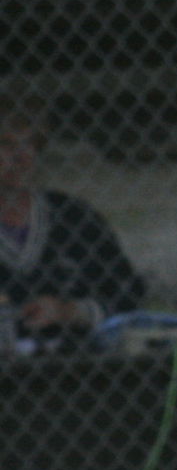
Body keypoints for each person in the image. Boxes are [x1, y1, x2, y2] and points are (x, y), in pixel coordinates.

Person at [0, 98, 145, 350]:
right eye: (6, 144)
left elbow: (127, 292)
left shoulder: (73, 216)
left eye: (30, 144)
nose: (21, 157)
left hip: (76, 363)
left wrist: (70, 311)